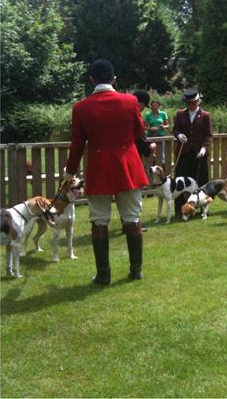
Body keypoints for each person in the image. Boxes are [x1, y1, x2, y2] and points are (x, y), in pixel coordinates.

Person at [63, 59, 148, 285]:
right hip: (128, 165)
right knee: (132, 218)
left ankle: (103, 274)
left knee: (99, 220)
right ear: (114, 79)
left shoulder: (80, 108)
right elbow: (139, 130)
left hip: (99, 167)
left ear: (92, 80)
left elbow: (77, 144)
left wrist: (70, 172)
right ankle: (136, 270)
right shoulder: (130, 101)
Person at [172, 87, 213, 217]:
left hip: (199, 153)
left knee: (202, 180)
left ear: (198, 101)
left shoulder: (205, 115)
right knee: (181, 182)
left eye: (193, 102)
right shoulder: (180, 114)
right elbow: (175, 130)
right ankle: (180, 210)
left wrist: (204, 148)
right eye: (189, 103)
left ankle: (204, 208)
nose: (191, 105)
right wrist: (178, 135)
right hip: (184, 152)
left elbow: (209, 135)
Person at [144, 99, 170, 166]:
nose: (155, 107)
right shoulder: (148, 115)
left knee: (161, 153)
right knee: (151, 153)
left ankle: (162, 166)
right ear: (151, 106)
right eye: (153, 105)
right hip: (151, 136)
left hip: (161, 136)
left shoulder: (163, 114)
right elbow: (144, 127)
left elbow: (167, 125)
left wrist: (163, 126)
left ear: (159, 106)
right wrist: (150, 129)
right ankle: (151, 166)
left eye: (156, 105)